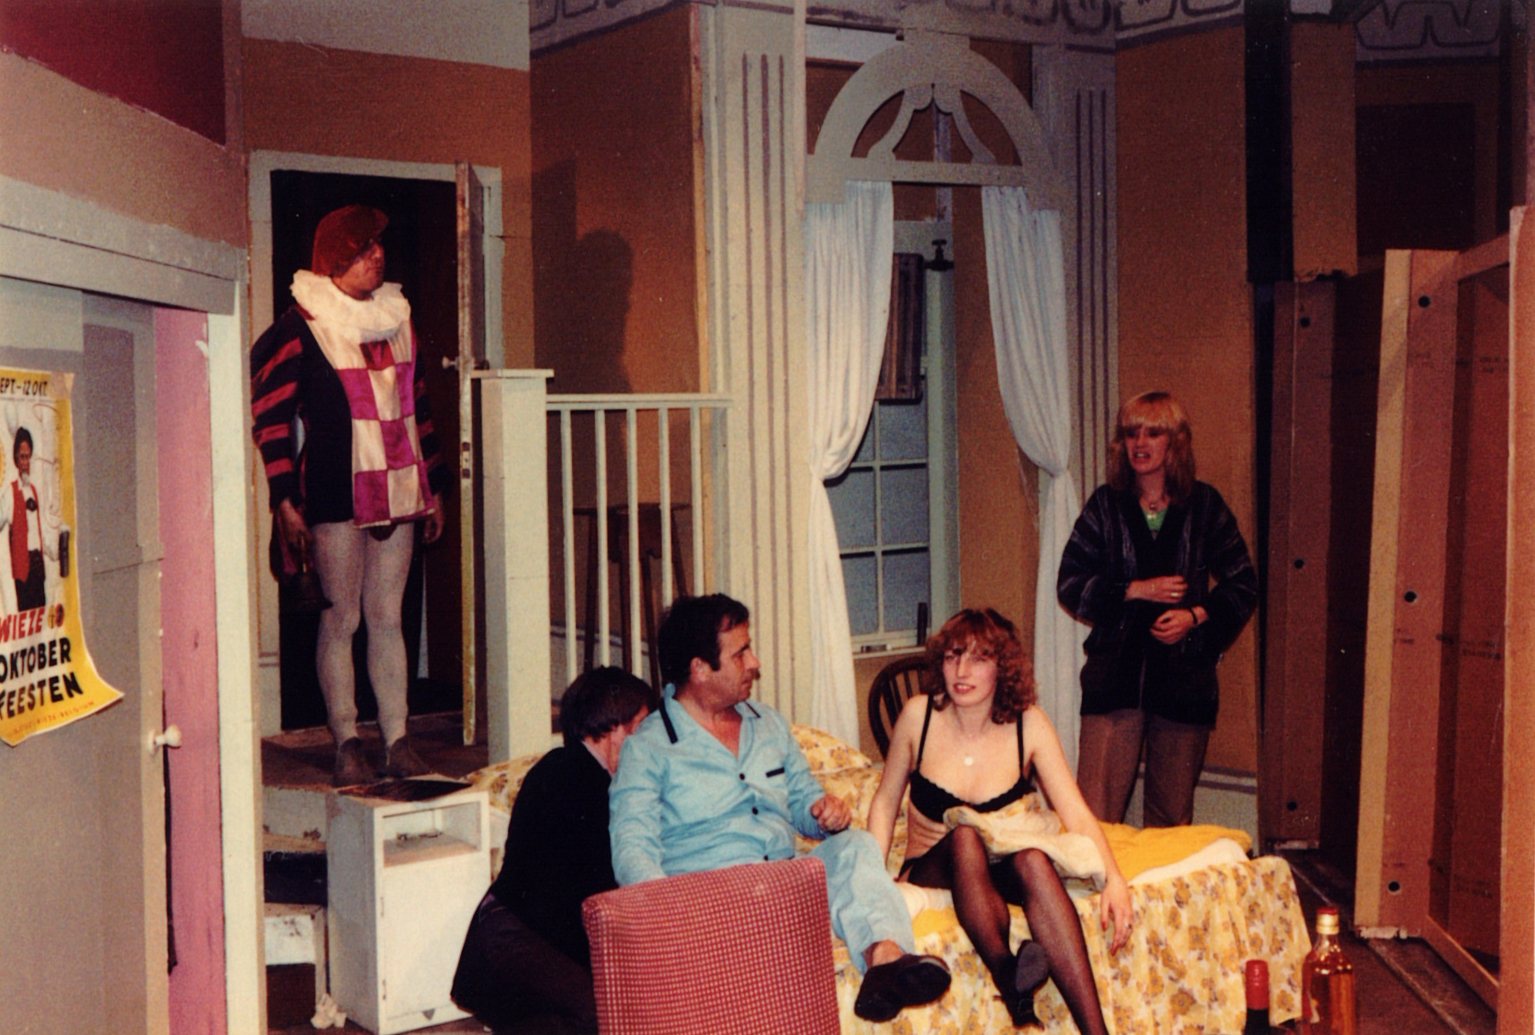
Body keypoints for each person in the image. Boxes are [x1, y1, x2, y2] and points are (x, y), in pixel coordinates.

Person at [609, 593, 952, 1023]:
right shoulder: (648, 748)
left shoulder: (767, 723)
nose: (754, 663)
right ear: (699, 669)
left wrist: (823, 812)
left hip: (784, 883)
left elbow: (802, 799)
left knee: (855, 846)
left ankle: (884, 962)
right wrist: (675, 917)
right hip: (715, 896)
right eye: (741, 653)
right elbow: (632, 848)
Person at [249, 204, 449, 785]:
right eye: (362, 249)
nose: (376, 256)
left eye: (378, 246)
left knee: (387, 617)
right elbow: (271, 419)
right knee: (342, 618)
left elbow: (419, 410)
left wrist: (433, 486)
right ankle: (347, 741)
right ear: (335, 260)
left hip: (400, 490)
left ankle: (398, 739)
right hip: (335, 494)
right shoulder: (303, 324)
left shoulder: (399, 319)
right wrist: (284, 499)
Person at [867, 608, 1131, 1032]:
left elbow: (1076, 812)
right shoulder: (919, 716)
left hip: (997, 867)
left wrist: (1114, 879)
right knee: (965, 836)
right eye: (953, 656)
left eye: (978, 658)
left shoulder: (1030, 724)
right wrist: (874, 877)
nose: (961, 671)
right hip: (933, 866)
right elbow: (884, 803)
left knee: (1034, 861)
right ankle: (1010, 978)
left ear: (1002, 668)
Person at [1057, 390, 1257, 827]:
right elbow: (1070, 584)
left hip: (1185, 682)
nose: (1140, 443)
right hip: (1114, 680)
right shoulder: (1105, 506)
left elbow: (1244, 583)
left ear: (1175, 443)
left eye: (1153, 433)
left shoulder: (1205, 506)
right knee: (1095, 816)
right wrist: (1133, 590)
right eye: (1132, 433)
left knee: (1170, 820)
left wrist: (1195, 617)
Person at [451, 667, 657, 1035]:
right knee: (604, 1013)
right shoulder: (565, 773)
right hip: (513, 934)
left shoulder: (596, 778)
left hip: (544, 935)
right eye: (641, 728)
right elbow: (571, 896)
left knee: (624, 1007)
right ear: (614, 728)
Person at [2, 427, 55, 612]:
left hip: (38, 566)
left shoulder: (34, 490)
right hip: (23, 570)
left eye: (28, 457)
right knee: (27, 617)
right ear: (16, 460)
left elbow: (40, 530)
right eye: (22, 457)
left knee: (42, 617)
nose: (25, 463)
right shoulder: (10, 493)